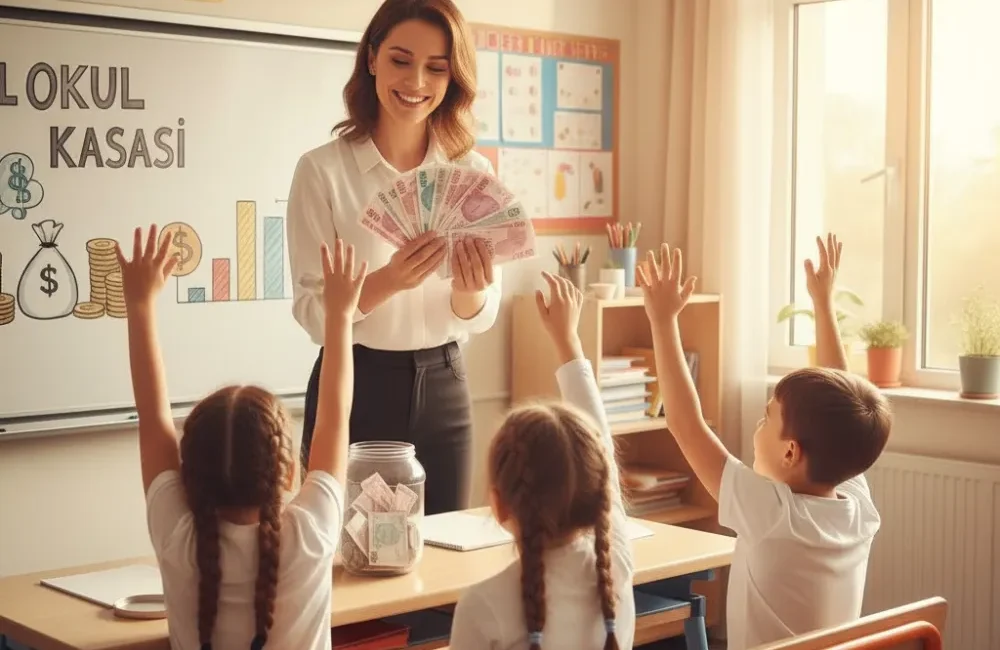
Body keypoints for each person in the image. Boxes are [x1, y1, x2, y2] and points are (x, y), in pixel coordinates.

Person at [286, 0, 500, 516]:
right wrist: (388, 280)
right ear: (373, 58)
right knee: (349, 559)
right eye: (401, 60)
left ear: (454, 77)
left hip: (446, 385)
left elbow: (483, 313)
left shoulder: (470, 171)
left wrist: (470, 290)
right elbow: (314, 315)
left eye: (436, 67)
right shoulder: (322, 172)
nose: (416, 81)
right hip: (354, 382)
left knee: (446, 554)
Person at [636, 234, 891, 649]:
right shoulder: (857, 508)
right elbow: (845, 404)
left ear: (790, 451)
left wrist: (662, 322)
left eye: (766, 418)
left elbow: (685, 424)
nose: (758, 425)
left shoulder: (772, 514)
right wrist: (823, 304)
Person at [118, 224, 365, 650]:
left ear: (187, 474)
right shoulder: (310, 534)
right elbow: (334, 417)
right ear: (288, 473)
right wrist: (340, 316)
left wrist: (140, 305)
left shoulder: (179, 538)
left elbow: (152, 416)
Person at [448, 272, 635, 650]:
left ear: (498, 504)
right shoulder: (615, 568)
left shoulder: (483, 604)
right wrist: (569, 341)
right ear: (598, 495)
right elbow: (601, 452)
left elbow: (602, 461)